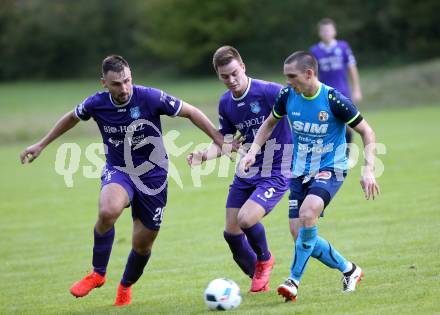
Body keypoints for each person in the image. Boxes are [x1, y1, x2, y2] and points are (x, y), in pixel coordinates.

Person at [20, 55, 232, 306]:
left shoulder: (150, 97)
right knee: (108, 210)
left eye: (127, 81)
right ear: (104, 83)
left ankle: (125, 286)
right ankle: (98, 273)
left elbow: (191, 112)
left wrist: (219, 139)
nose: (124, 88)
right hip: (119, 169)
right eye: (117, 84)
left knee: (142, 245)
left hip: (153, 175)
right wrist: (42, 144)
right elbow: (71, 117)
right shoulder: (96, 104)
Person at [240, 51, 379, 302]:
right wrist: (252, 152)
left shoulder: (334, 99)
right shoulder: (287, 96)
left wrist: (368, 169)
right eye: (285, 77)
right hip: (299, 171)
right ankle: (350, 269)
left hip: (331, 167)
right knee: (302, 237)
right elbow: (269, 123)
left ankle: (293, 281)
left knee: (307, 214)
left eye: (291, 76)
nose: (288, 82)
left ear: (309, 73)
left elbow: (367, 132)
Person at [186, 46, 292, 292]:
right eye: (225, 76)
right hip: (247, 171)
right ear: (218, 76)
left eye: (235, 73)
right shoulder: (226, 104)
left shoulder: (268, 91)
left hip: (277, 169)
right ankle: (259, 279)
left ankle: (265, 259)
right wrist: (204, 156)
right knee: (231, 233)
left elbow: (301, 105)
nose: (231, 81)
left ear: (243, 66)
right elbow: (224, 142)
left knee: (246, 219)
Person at [310, 18, 363, 147]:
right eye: (323, 31)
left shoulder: (343, 46)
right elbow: (312, 74)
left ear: (334, 31)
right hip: (323, 94)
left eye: (329, 30)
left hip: (343, 91)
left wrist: (356, 89)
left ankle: (347, 153)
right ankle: (329, 153)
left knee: (348, 124)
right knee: (324, 124)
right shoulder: (314, 51)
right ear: (319, 33)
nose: (326, 33)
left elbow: (352, 68)